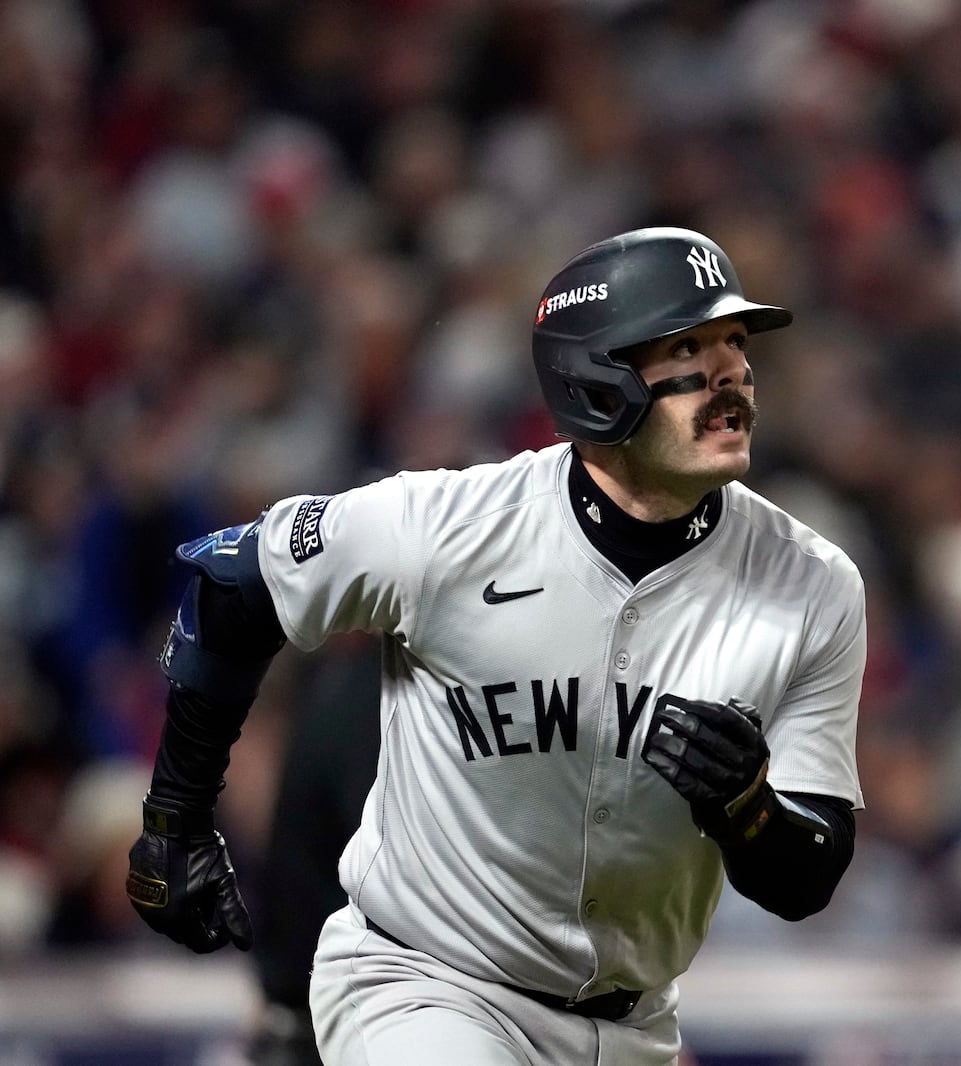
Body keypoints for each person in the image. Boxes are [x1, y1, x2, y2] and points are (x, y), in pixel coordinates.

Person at [124, 228, 867, 1066]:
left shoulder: (813, 584)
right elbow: (232, 581)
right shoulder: (448, 526)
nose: (732, 370)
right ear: (597, 379)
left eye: (736, 341)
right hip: (423, 984)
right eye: (688, 346)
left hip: (633, 1028)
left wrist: (750, 811)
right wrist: (175, 823)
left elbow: (810, 876)